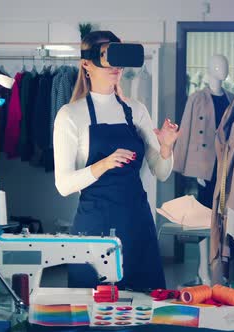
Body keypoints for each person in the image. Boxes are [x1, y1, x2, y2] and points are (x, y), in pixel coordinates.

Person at [53, 31, 180, 290]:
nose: (115, 65)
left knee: (144, 312)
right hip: (94, 230)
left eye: (118, 56)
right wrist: (102, 165)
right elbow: (63, 185)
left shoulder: (136, 110)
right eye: (106, 56)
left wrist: (166, 146)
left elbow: (162, 171)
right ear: (86, 64)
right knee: (92, 314)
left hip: (137, 227)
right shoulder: (70, 115)